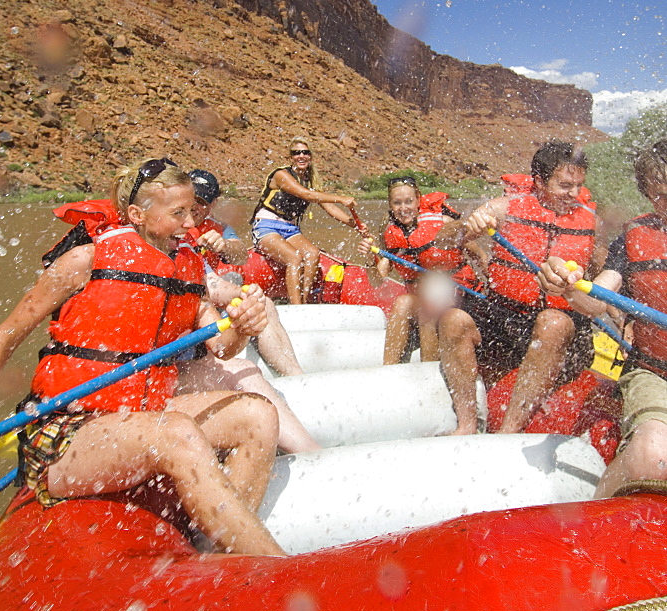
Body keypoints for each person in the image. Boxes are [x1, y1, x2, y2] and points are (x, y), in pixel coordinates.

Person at [0, 158, 284, 556]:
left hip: (144, 414)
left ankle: (218, 556)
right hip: (69, 430)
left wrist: (242, 326)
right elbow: (3, 339)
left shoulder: (189, 270)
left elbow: (223, 349)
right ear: (137, 214)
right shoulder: (86, 261)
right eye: (178, 213)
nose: (191, 225)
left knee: (258, 413)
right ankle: (274, 566)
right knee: (176, 432)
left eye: (192, 212)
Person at [435, 141, 605, 435]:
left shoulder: (590, 222)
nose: (574, 194)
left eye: (579, 185)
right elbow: (442, 240)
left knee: (552, 322)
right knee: (452, 320)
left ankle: (508, 431)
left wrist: (622, 322)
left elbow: (607, 283)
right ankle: (466, 424)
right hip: (504, 317)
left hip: (560, 328)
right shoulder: (504, 208)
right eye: (565, 185)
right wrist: (466, 226)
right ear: (539, 181)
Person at [538, 139, 667, 498]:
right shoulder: (632, 238)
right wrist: (568, 287)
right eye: (658, 194)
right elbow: (597, 299)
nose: (666, 203)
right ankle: (595, 520)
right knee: (653, 455)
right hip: (656, 373)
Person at [178, 168, 320, 453]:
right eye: (192, 199)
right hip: (205, 304)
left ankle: (294, 375)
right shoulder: (174, 230)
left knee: (262, 303)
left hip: (216, 303)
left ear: (213, 203)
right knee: (257, 302)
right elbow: (211, 287)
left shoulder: (218, 228)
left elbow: (240, 253)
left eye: (203, 202)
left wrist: (225, 246)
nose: (196, 208)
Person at [360, 176, 483, 365]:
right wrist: (369, 258)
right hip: (426, 304)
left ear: (418, 200)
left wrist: (492, 287)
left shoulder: (444, 223)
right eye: (397, 203)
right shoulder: (390, 233)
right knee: (403, 302)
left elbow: (479, 255)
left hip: (461, 298)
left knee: (430, 300)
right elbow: (377, 280)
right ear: (390, 205)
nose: (403, 208)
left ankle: (429, 371)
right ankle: (388, 369)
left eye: (409, 201)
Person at [251, 136, 363, 304]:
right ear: (290, 157)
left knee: (312, 254)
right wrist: (340, 198)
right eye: (296, 153)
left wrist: (355, 225)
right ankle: (297, 308)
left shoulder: (310, 181)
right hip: (267, 224)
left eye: (305, 152)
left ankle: (303, 302)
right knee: (294, 258)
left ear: (310, 156)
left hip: (289, 227)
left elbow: (329, 207)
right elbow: (306, 195)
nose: (301, 156)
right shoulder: (281, 175)